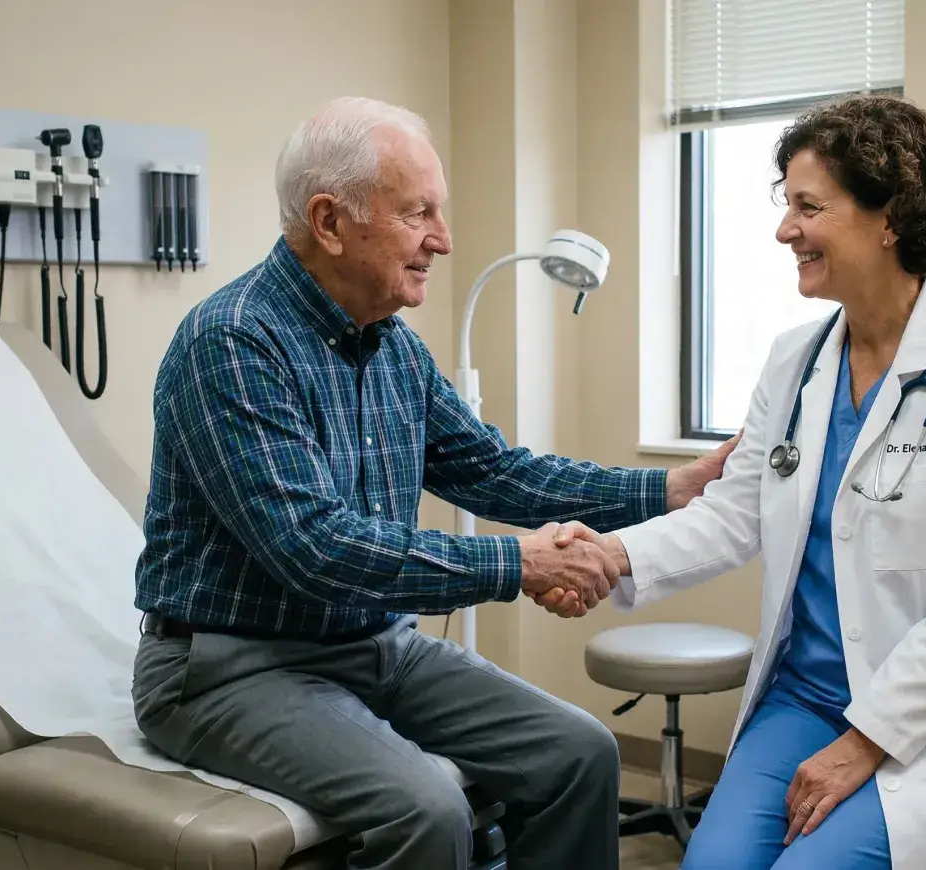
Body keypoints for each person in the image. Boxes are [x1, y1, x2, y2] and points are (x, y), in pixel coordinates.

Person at [128, 96, 735, 870]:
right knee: (424, 809)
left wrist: (668, 491)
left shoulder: (393, 349)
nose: (442, 241)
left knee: (580, 755)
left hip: (374, 643)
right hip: (229, 668)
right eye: (419, 213)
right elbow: (313, 549)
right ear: (329, 220)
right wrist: (520, 567)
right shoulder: (232, 342)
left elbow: (495, 471)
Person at [548, 95, 926, 869]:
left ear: (888, 216)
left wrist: (866, 743)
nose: (784, 228)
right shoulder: (795, 362)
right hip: (806, 697)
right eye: (786, 205)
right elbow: (735, 516)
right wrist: (611, 557)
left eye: (808, 206)